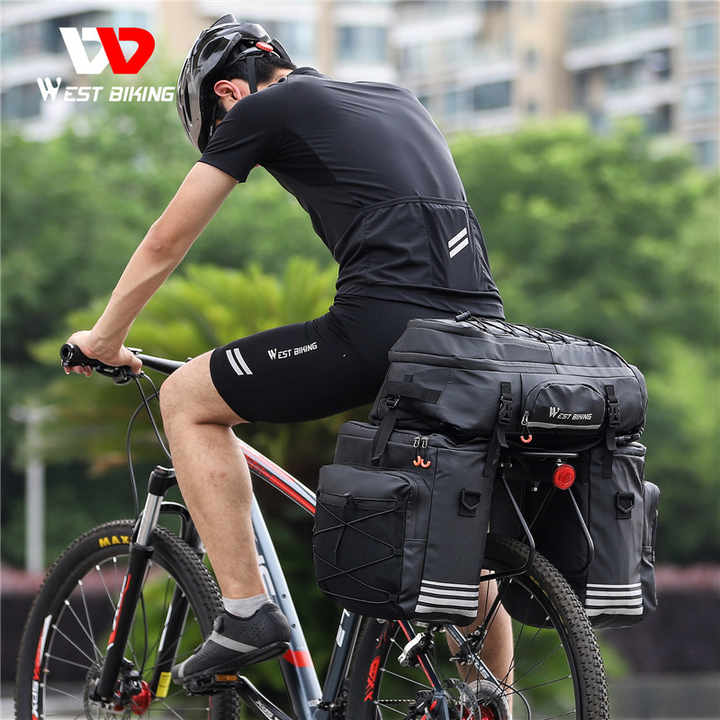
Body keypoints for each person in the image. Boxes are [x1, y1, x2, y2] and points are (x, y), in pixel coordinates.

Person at [64, 15, 511, 690]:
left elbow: (166, 240)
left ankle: (246, 613)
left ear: (227, 92)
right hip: (480, 336)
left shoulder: (261, 108)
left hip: (381, 331)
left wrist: (104, 339)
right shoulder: (398, 99)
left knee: (186, 398)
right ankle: (491, 699)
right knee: (451, 514)